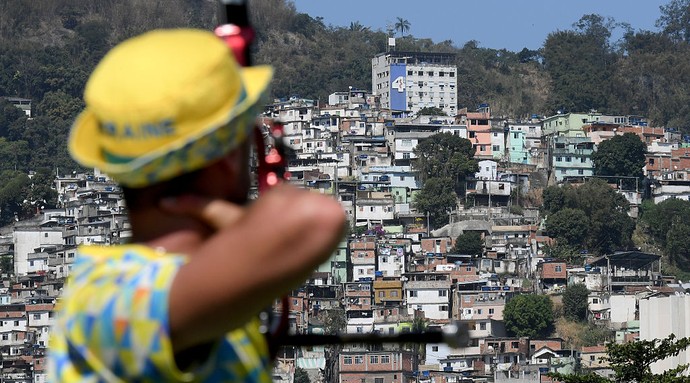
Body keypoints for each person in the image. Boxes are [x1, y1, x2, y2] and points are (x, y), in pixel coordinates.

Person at [47, 28, 346, 382]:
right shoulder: (116, 300)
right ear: (231, 159)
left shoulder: (107, 292)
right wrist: (236, 218)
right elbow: (318, 218)